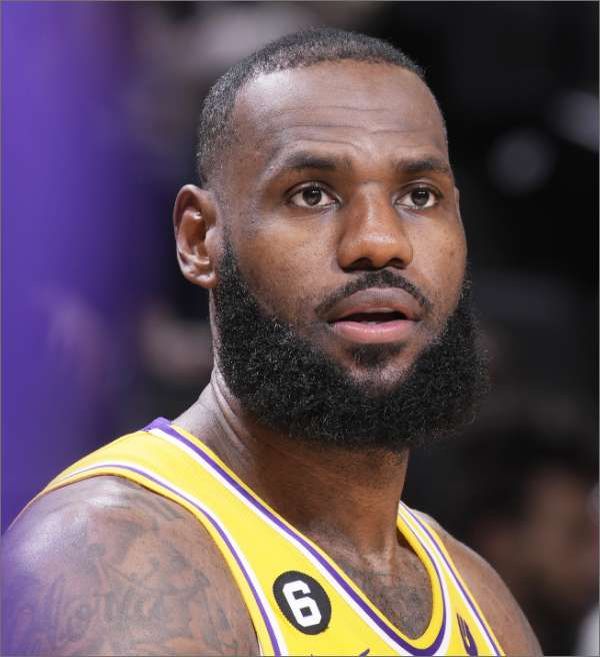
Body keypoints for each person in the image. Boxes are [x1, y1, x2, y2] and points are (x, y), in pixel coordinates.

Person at [2, 29, 542, 656]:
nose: (379, 241)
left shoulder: (479, 596)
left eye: (419, 196)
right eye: (312, 194)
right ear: (199, 239)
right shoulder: (110, 567)